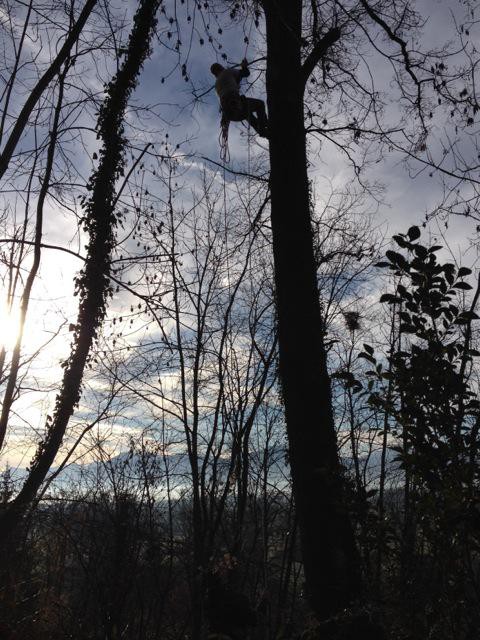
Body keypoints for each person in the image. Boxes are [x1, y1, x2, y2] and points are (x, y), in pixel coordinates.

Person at [210, 58, 268, 138]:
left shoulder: (216, 85)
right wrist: (244, 66)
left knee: (247, 113)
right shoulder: (227, 72)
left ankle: (264, 132)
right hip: (237, 105)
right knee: (260, 104)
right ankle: (264, 126)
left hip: (230, 114)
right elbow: (245, 73)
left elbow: (230, 86)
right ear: (221, 67)